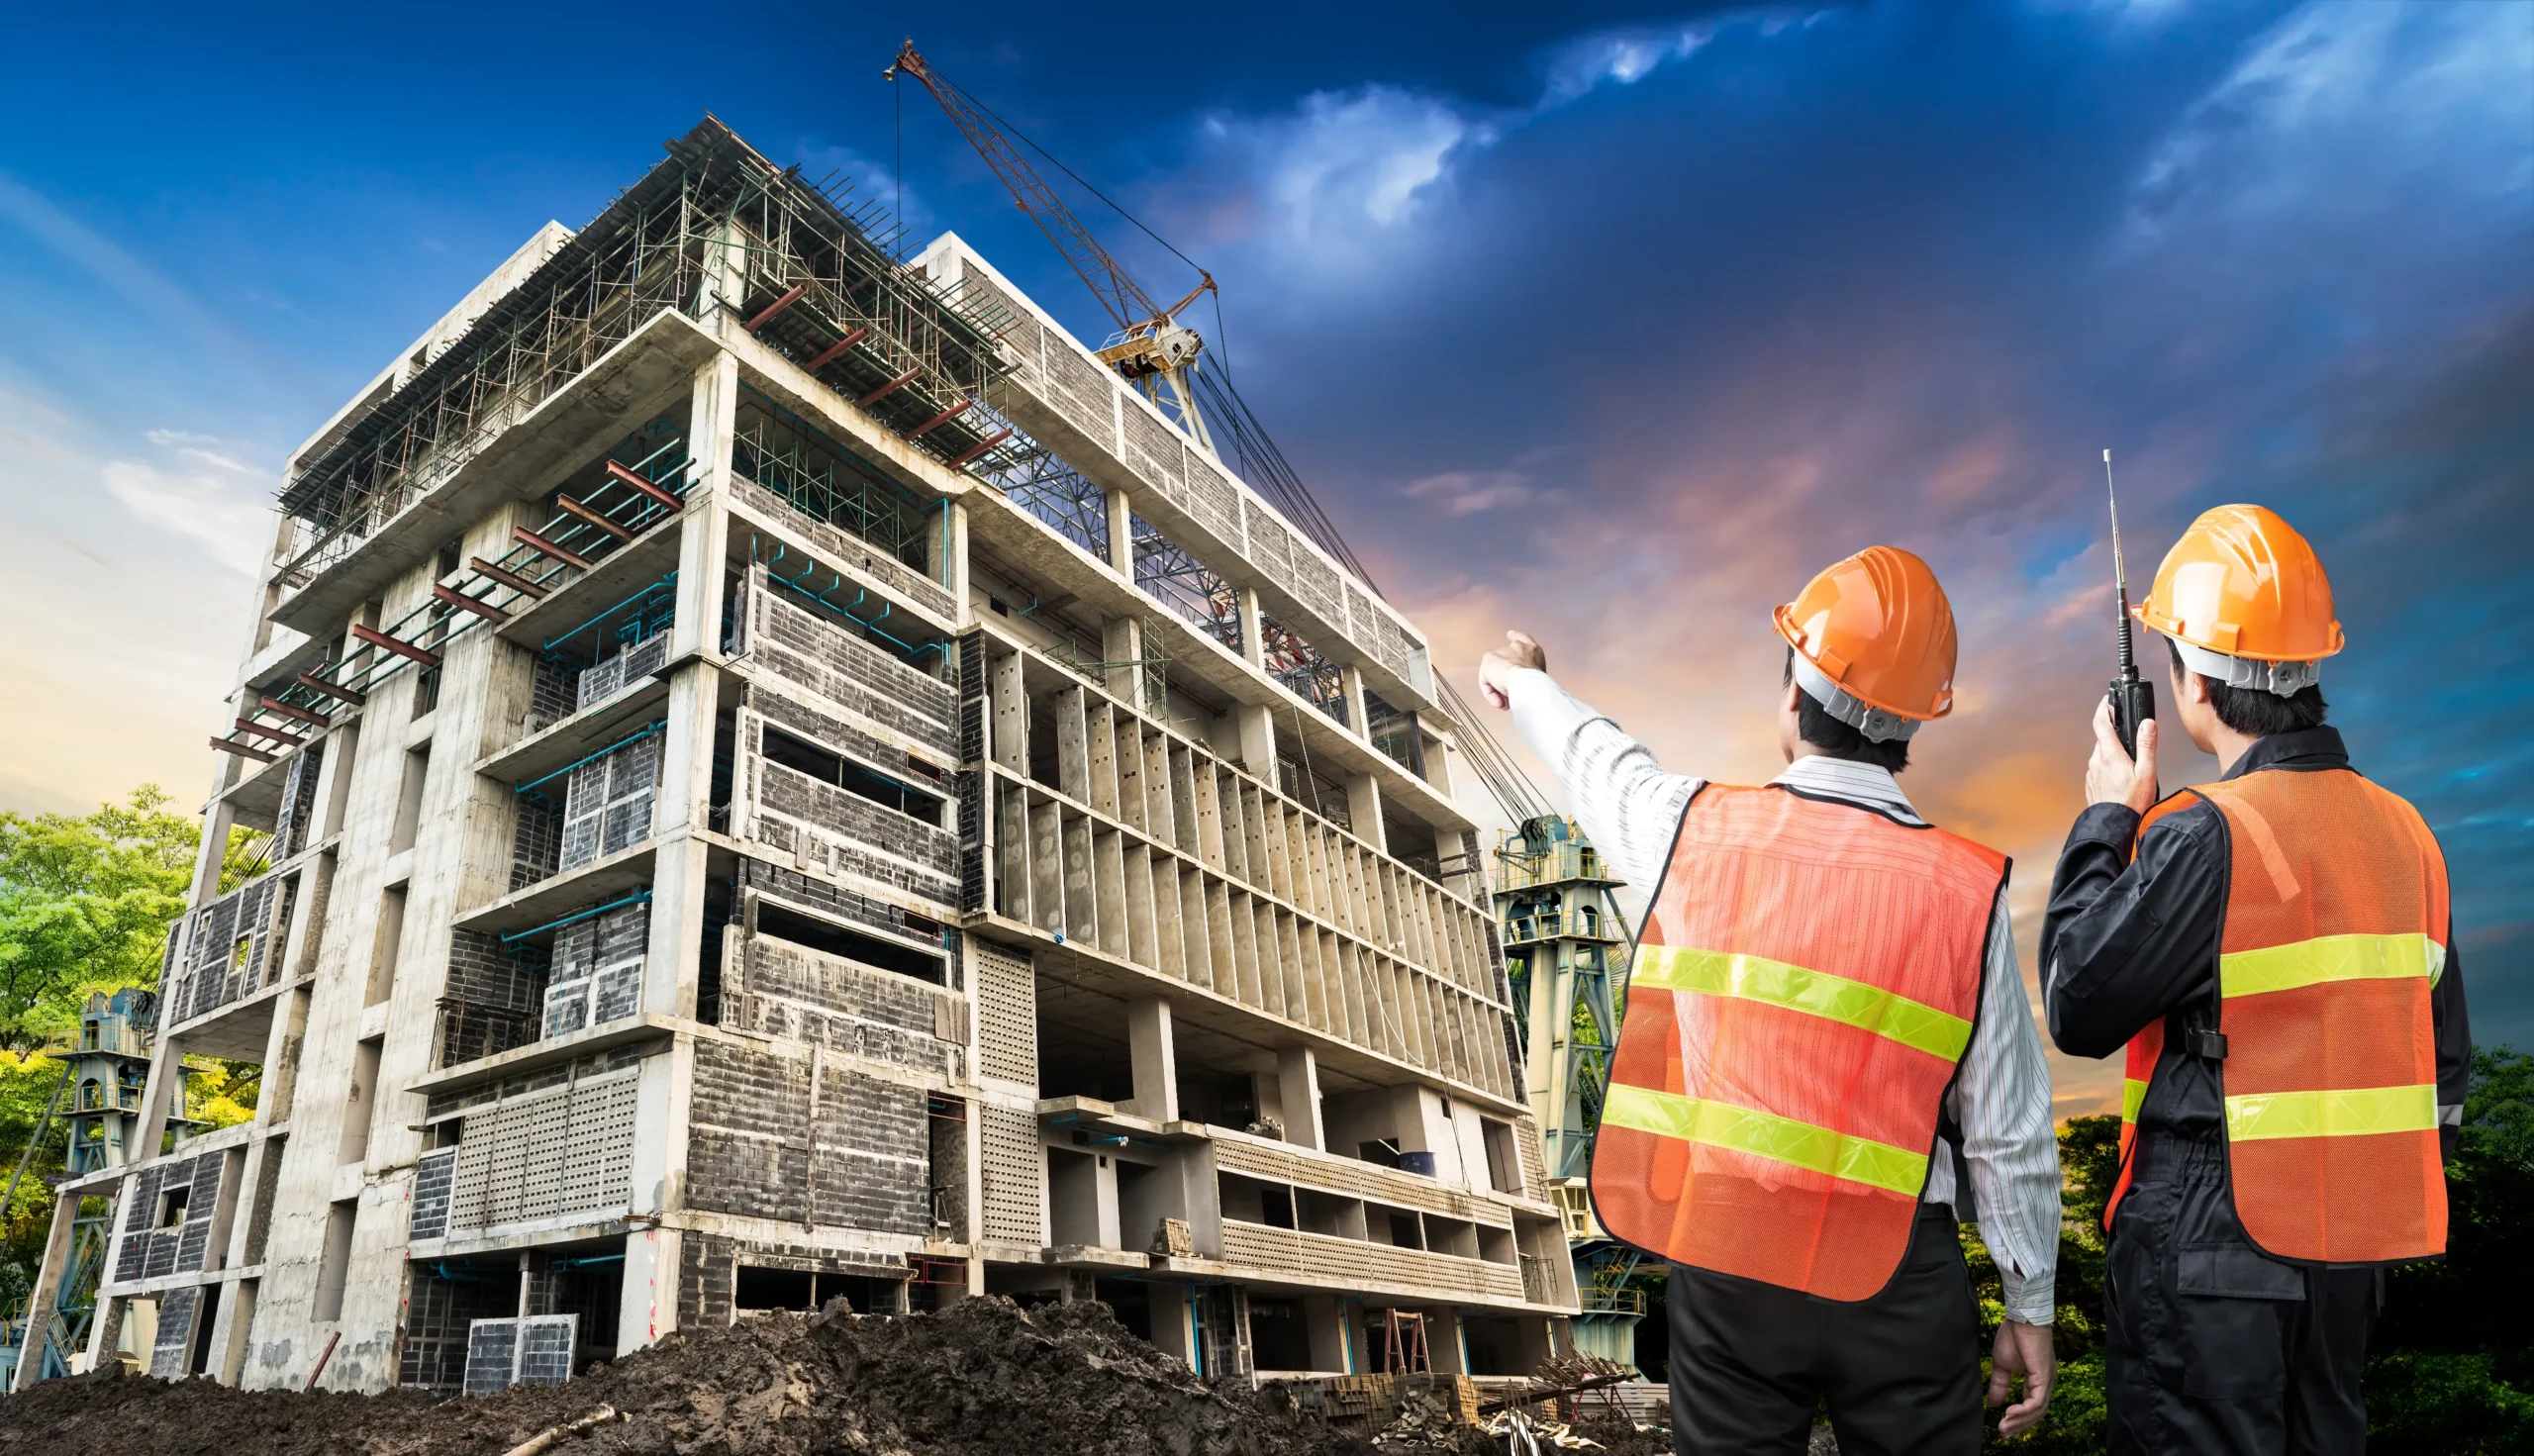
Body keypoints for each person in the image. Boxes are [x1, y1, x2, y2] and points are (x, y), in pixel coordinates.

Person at [1480, 545, 2060, 1455]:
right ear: (1917, 721)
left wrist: (1526, 681)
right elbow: (2006, 1129)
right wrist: (2030, 1303)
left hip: (1730, 1253)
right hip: (1901, 1275)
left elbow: (1598, 758)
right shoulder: (1966, 893)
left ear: (1793, 693)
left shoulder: (1693, 830)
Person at [2041, 504, 2468, 1455]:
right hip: (2348, 1260)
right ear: (2309, 668)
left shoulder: (2206, 832)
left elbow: (2078, 996)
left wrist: (2111, 818)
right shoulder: (2411, 837)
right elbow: (2441, 1077)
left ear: (2191, 683)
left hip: (2211, 1249)